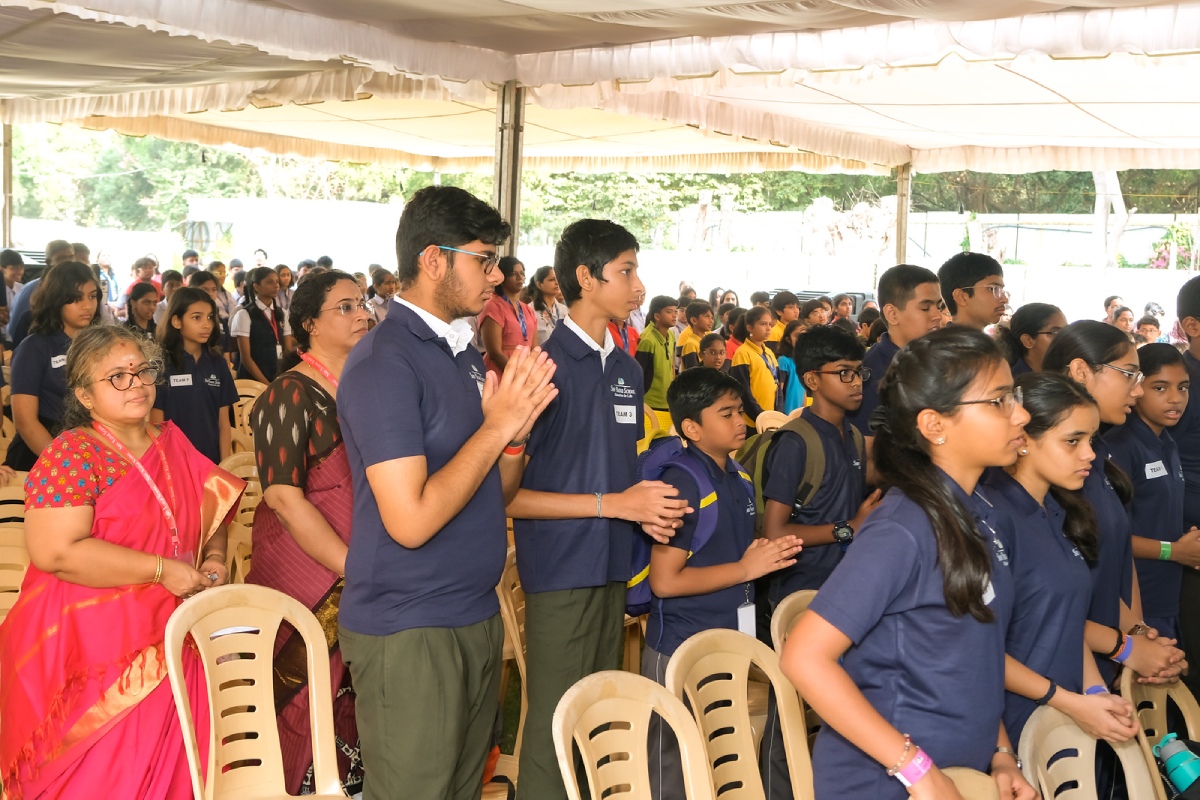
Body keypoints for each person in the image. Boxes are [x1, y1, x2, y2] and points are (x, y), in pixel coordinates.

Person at [336, 186, 557, 799]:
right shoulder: (385, 361)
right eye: (483, 260)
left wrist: (512, 439)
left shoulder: (460, 351)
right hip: (411, 625)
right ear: (434, 259)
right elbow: (409, 521)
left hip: (472, 611)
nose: (498, 276)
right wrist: (495, 428)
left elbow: (494, 492)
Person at [781, 327, 1037, 800]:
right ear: (935, 425)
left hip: (962, 771)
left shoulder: (975, 511)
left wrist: (1001, 753)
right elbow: (805, 657)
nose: (1021, 414)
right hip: (885, 784)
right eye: (999, 401)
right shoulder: (902, 527)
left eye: (1014, 396)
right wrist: (917, 770)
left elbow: (974, 654)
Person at [0, 324, 244, 799]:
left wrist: (213, 557)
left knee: (186, 770)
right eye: (117, 376)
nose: (136, 384)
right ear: (84, 395)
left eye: (143, 371)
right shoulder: (71, 454)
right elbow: (57, 552)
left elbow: (211, 507)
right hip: (94, 652)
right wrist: (163, 570)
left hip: (175, 631)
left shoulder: (170, 441)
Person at [506, 219, 688, 800]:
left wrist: (645, 508)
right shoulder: (542, 367)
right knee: (556, 720)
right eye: (625, 271)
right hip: (561, 568)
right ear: (585, 278)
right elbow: (508, 497)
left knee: (598, 715)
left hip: (613, 564)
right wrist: (616, 504)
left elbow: (618, 470)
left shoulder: (628, 370)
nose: (639, 286)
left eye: (637, 271)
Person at [643, 367, 802, 800]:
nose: (740, 421)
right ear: (692, 428)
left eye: (739, 411)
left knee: (718, 752)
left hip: (727, 637)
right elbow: (664, 581)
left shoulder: (739, 476)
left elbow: (729, 551)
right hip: (679, 644)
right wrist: (746, 569)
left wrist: (763, 554)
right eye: (726, 413)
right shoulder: (681, 482)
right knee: (673, 761)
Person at [245, 270, 369, 795]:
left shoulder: (367, 387)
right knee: (307, 688)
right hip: (310, 571)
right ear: (310, 324)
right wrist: (351, 567)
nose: (362, 313)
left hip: (365, 562)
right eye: (346, 306)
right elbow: (283, 498)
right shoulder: (289, 394)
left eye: (362, 303)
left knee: (358, 688)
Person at [983, 372, 1138, 750]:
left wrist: (1096, 691)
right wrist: (1070, 701)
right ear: (1022, 440)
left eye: (1091, 440)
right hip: (1018, 723)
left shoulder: (1055, 510)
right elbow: (979, 648)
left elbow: (1065, 624)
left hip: (1069, 715)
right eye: (1073, 441)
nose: (1089, 454)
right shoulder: (992, 519)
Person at [1043, 322, 1187, 687]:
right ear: (1081, 371)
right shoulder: (1052, 473)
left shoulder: (1098, 457)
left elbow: (1114, 565)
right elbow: (1052, 607)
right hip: (1066, 674)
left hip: (1105, 659)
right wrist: (1126, 648)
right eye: (1128, 375)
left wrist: (1139, 634)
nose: (1137, 390)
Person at [761, 325, 881, 603]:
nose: (856, 382)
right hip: (801, 591)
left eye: (859, 371)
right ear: (812, 380)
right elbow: (775, 532)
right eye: (844, 373)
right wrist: (849, 527)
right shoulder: (795, 443)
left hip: (844, 581)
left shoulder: (853, 435)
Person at [1105, 344, 1195, 639]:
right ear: (1136, 388)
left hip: (1166, 593)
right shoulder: (1120, 447)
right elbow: (1110, 536)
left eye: (1183, 388)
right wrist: (1174, 551)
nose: (1175, 398)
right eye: (1160, 388)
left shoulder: (1167, 441)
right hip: (1135, 602)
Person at [6, 263, 100, 471]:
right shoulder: (34, 347)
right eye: (76, 298)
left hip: (91, 445)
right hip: (41, 451)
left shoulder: (100, 346)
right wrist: (64, 463)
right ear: (56, 300)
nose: (87, 305)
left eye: (92, 296)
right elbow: (25, 422)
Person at [847, 264, 944, 433]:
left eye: (939, 307)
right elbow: (866, 446)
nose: (937, 316)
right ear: (892, 314)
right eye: (925, 308)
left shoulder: (940, 361)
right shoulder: (871, 375)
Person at [152, 287, 237, 465]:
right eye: (197, 317)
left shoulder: (218, 364)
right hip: (175, 463)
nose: (207, 324)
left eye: (210, 317)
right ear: (177, 321)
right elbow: (156, 424)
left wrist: (225, 465)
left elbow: (224, 423)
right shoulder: (162, 365)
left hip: (211, 462)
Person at [231, 266, 294, 384]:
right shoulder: (244, 314)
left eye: (277, 281)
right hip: (252, 381)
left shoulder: (282, 313)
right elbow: (246, 358)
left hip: (278, 377)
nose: (276, 286)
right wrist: (266, 384)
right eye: (270, 282)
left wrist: (282, 378)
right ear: (256, 286)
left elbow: (288, 351)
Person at [9, 241, 76, 348]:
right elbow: (16, 332)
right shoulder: (31, 291)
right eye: (62, 258)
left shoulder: (76, 288)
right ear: (49, 262)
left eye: (71, 257)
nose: (68, 262)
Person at [479, 256, 538, 375]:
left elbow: (535, 347)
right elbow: (494, 353)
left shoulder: (528, 309)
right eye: (513, 274)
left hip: (526, 370)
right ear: (502, 278)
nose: (520, 277)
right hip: (501, 370)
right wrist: (516, 374)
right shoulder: (493, 306)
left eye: (522, 273)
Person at [730, 306, 781, 425]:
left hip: (771, 417)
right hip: (753, 420)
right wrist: (760, 416)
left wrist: (778, 413)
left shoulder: (769, 352)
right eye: (763, 324)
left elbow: (777, 384)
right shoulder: (743, 353)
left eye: (770, 324)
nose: (768, 328)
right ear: (749, 327)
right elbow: (743, 391)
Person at [636, 295, 678, 431]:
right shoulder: (647, 339)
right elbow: (639, 373)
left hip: (666, 401)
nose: (674, 315)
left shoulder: (671, 335)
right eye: (669, 312)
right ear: (657, 316)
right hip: (650, 403)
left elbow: (672, 366)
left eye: (675, 311)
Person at [939, 251, 1008, 330]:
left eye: (1000, 290)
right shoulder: (945, 338)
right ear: (961, 297)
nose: (1005, 299)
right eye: (992, 289)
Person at [997, 302, 1067, 376]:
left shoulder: (1063, 373)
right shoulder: (1011, 379)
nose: (1065, 338)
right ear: (1028, 341)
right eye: (1055, 333)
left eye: (1066, 331)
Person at [525, 266, 568, 345]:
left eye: (557, 279)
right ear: (539, 284)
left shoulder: (565, 310)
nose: (557, 282)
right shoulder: (529, 310)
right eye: (551, 279)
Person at [774, 319, 807, 413]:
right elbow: (779, 391)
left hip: (798, 412)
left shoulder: (802, 361)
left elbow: (803, 391)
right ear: (788, 340)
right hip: (786, 412)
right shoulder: (783, 361)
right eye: (797, 336)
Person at [676, 300, 714, 370]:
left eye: (712, 317)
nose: (711, 321)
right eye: (707, 316)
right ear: (694, 320)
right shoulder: (690, 344)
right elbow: (692, 372)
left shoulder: (705, 340)